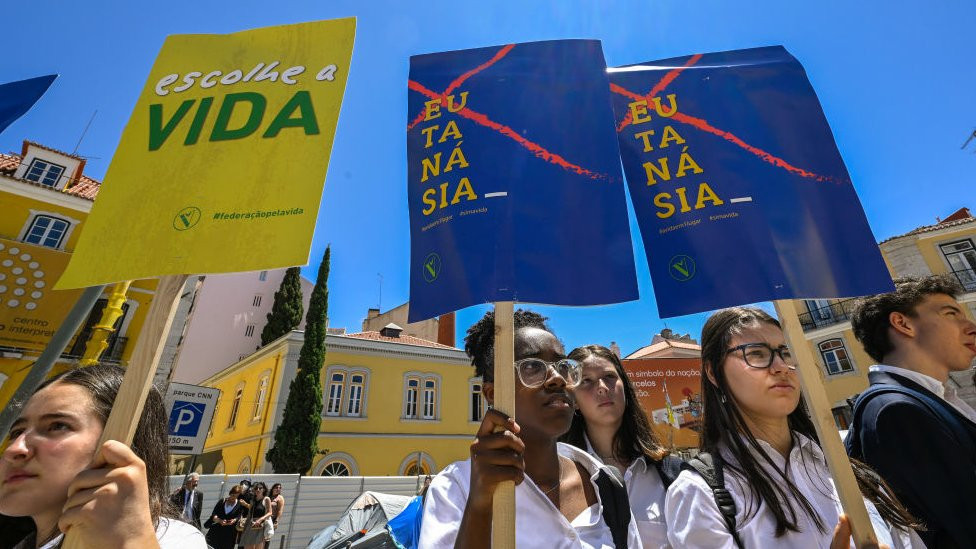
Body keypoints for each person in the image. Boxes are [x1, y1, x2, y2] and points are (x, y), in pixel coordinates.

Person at [664, 306, 922, 548]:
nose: (780, 367)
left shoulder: (849, 471)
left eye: (786, 353)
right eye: (756, 353)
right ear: (712, 373)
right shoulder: (698, 494)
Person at [419, 309, 642, 548]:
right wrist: (480, 505)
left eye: (562, 365)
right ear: (492, 394)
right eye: (533, 366)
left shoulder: (605, 484)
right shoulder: (457, 488)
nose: (557, 377)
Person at [0, 364, 206, 548]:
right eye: (17, 432)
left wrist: (131, 542)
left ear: (123, 442)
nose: (14, 449)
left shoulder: (172, 539)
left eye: (57, 426)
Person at [847, 275, 976, 548]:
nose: (971, 326)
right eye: (951, 313)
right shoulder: (896, 410)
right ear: (903, 324)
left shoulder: (927, 400)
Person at [561, 344, 674, 549]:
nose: (603, 387)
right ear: (573, 400)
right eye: (586, 381)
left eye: (610, 377)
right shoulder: (561, 478)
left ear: (625, 388)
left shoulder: (669, 474)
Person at [205, 484, 244, 549]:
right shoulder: (222, 501)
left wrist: (234, 520)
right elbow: (214, 514)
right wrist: (219, 520)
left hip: (229, 534)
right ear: (230, 493)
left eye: (236, 496)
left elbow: (239, 516)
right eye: (232, 495)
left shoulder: (239, 505)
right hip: (216, 531)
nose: (233, 498)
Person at [239, 481, 273, 549]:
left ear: (264, 489)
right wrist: (245, 528)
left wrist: (260, 520)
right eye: (256, 488)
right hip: (251, 524)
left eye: (260, 488)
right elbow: (250, 514)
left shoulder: (266, 499)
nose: (258, 490)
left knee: (258, 547)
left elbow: (270, 512)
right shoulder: (252, 500)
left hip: (260, 526)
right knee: (247, 546)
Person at [264, 483, 285, 549]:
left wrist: (276, 521)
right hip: (263, 519)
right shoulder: (268, 495)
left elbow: (280, 510)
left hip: (272, 520)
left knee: (267, 537)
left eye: (279, 488)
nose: (278, 489)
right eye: (276, 487)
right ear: (273, 488)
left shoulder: (280, 498)